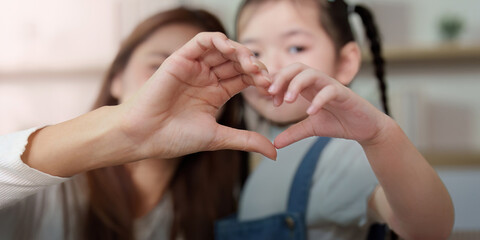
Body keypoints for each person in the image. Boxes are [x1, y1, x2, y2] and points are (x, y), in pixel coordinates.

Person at [0, 7, 274, 240]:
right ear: (117, 78)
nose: (174, 85)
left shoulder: (232, 196)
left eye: (207, 74)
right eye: (157, 66)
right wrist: (122, 131)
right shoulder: (45, 192)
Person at [215, 0, 454, 239]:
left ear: (346, 62)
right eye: (254, 52)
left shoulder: (342, 153)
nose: (269, 67)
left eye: (296, 48)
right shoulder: (267, 152)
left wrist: (381, 136)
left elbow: (429, 229)